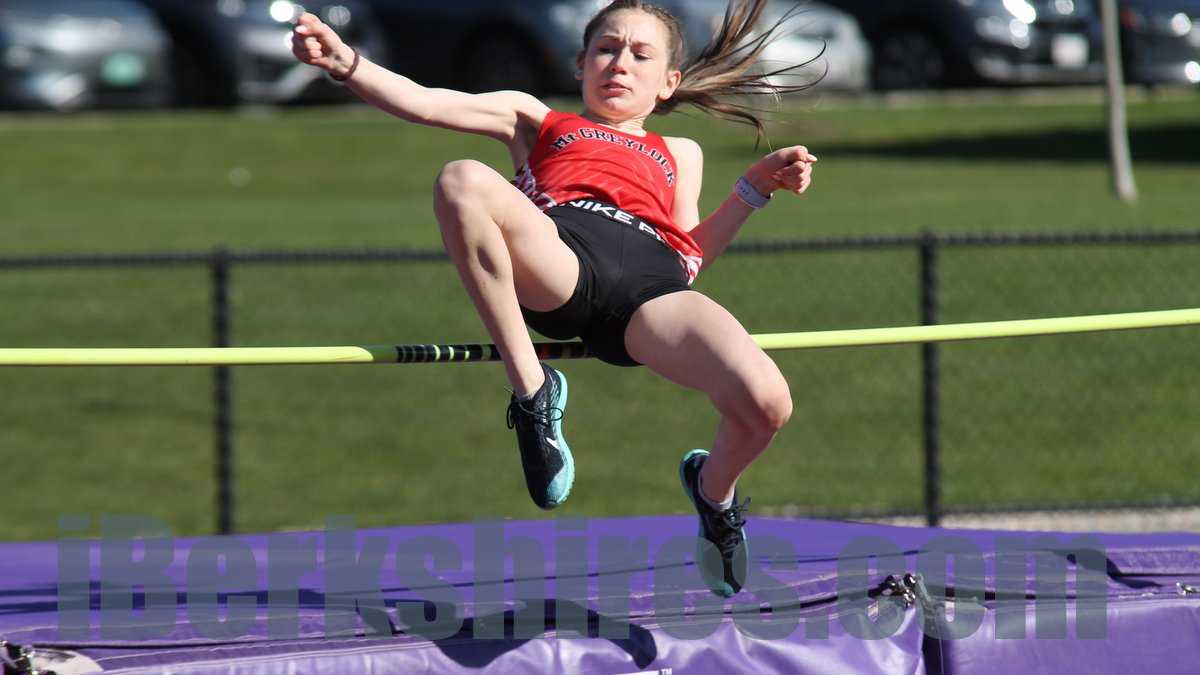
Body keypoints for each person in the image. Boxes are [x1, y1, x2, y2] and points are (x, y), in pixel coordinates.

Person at [292, 0, 817, 597]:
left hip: (652, 289)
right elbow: (426, 101)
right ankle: (533, 392)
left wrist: (752, 190)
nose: (619, 64)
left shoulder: (681, 153)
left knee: (767, 403)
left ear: (668, 82)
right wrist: (346, 62)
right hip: (560, 259)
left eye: (640, 54)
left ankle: (713, 494)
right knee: (461, 179)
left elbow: (688, 257)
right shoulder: (536, 120)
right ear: (580, 64)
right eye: (606, 49)